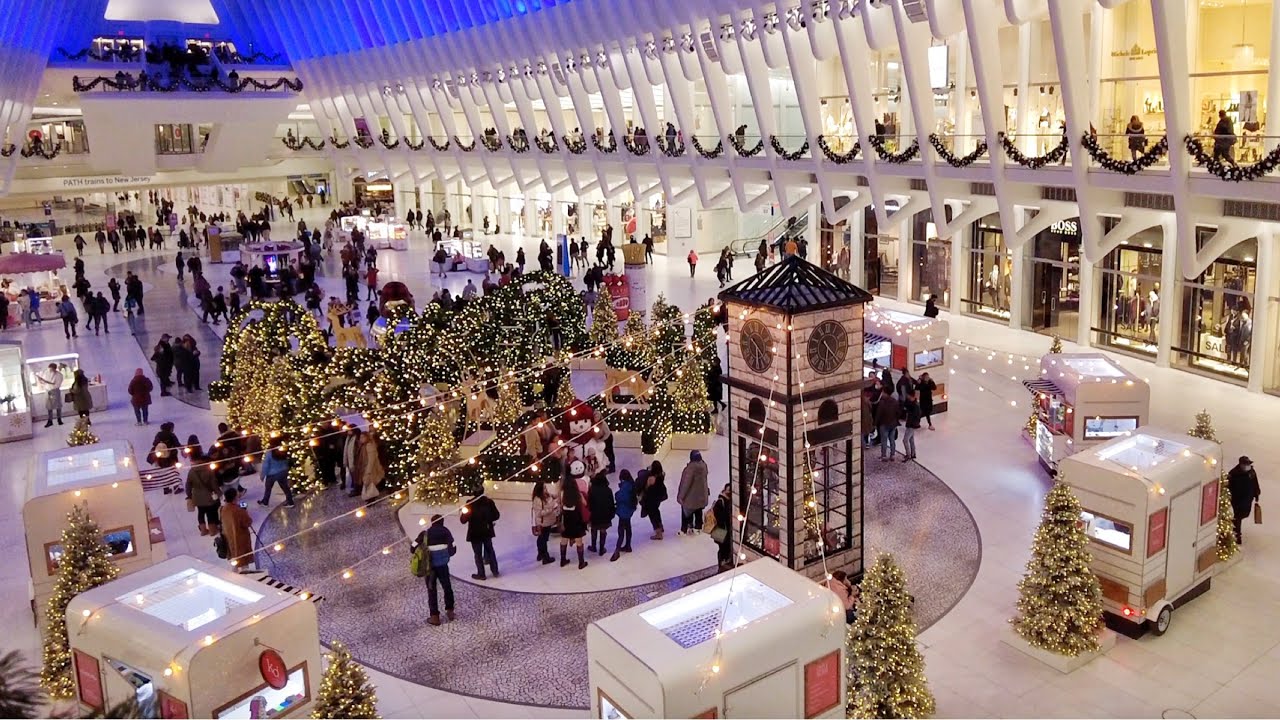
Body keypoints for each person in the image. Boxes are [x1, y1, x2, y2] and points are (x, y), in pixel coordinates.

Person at [409, 514, 456, 625]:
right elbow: (453, 549)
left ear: (432, 523)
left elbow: (413, 547)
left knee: (431, 590)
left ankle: (435, 616)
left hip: (429, 567)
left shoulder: (425, 533)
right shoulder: (446, 532)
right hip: (443, 565)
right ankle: (450, 611)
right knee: (447, 587)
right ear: (442, 522)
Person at [460, 493, 501, 580]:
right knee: (490, 551)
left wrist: (465, 512)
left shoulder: (469, 503)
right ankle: (495, 571)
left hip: (475, 533)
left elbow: (463, 520)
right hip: (487, 531)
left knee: (478, 554)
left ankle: (481, 574)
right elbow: (496, 515)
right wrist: (488, 519)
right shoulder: (489, 502)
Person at [185, 443, 222, 536]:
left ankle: (203, 530)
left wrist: (189, 495)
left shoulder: (192, 471)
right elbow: (214, 483)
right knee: (210, 513)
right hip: (208, 496)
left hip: (197, 496)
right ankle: (213, 530)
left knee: (200, 513)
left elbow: (188, 484)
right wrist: (219, 493)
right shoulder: (208, 470)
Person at [1227, 456, 1261, 545]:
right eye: (1245, 464)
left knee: (1244, 514)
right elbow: (1228, 486)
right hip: (1237, 500)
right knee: (1238, 517)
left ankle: (1234, 526)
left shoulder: (1251, 472)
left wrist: (1256, 494)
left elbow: (1255, 483)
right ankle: (1237, 535)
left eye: (1248, 464)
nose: (1247, 466)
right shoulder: (1234, 474)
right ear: (1241, 464)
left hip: (1248, 499)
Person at [559, 472, 590, 569]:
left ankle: (563, 560)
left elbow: (560, 505)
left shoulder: (562, 493)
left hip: (566, 519)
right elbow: (585, 504)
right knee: (579, 541)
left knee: (564, 539)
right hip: (576, 518)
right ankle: (581, 562)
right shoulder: (578, 494)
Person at [220, 488, 255, 571]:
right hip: (241, 539)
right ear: (234, 497)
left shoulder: (223, 509)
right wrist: (245, 512)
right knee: (244, 559)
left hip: (228, 538)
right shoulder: (239, 511)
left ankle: (234, 575)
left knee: (234, 558)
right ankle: (245, 574)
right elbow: (248, 522)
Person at [677, 450, 710, 535]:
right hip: (701, 495)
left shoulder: (690, 469)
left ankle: (685, 528)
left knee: (686, 511)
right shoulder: (704, 466)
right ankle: (698, 527)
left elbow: (686, 484)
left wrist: (681, 496)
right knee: (698, 510)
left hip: (690, 496)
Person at [531, 479, 560, 565]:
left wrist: (558, 496)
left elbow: (554, 496)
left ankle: (540, 554)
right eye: (544, 488)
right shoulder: (537, 499)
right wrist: (551, 509)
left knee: (542, 538)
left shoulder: (547, 495)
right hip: (543, 523)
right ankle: (545, 557)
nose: (546, 489)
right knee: (543, 539)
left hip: (548, 521)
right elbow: (539, 513)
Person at [587, 472, 616, 556]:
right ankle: (601, 548)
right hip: (605, 514)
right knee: (603, 530)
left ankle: (593, 546)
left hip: (594, 514)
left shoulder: (592, 490)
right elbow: (611, 503)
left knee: (594, 529)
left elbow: (589, 502)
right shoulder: (608, 490)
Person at [611, 469, 637, 562]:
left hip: (624, 510)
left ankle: (617, 550)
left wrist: (617, 494)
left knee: (621, 530)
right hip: (629, 509)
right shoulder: (631, 485)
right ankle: (628, 545)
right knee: (628, 527)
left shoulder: (626, 486)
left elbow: (620, 496)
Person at [640, 461, 668, 540]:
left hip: (651, 499)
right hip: (658, 498)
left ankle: (658, 533)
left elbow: (646, 488)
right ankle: (661, 526)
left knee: (653, 515)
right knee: (657, 512)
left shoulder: (651, 478)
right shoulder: (662, 475)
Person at [711, 483, 733, 571]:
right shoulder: (721, 502)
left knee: (725, 548)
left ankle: (723, 564)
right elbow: (720, 518)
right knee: (723, 549)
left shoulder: (727, 501)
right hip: (722, 531)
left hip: (724, 530)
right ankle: (721, 565)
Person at [875, 390, 902, 461]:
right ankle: (892, 455)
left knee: (884, 440)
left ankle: (884, 456)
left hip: (884, 423)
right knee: (892, 439)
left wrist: (875, 423)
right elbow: (898, 412)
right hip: (893, 424)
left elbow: (878, 414)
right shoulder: (895, 401)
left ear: (885, 393)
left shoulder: (882, 402)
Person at [36, 363, 64, 427]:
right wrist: (40, 380)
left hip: (55, 391)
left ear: (55, 368)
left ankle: (59, 419)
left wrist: (45, 381)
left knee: (58, 406)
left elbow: (56, 384)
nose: (50, 370)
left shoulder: (59, 375)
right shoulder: (46, 372)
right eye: (49, 369)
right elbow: (43, 382)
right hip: (47, 391)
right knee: (49, 407)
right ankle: (50, 420)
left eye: (51, 369)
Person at [901, 391, 922, 461]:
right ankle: (913, 453)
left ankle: (908, 454)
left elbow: (915, 416)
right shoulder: (913, 404)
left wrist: (911, 424)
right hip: (911, 424)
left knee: (905, 440)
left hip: (911, 425)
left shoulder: (914, 406)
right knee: (911, 439)